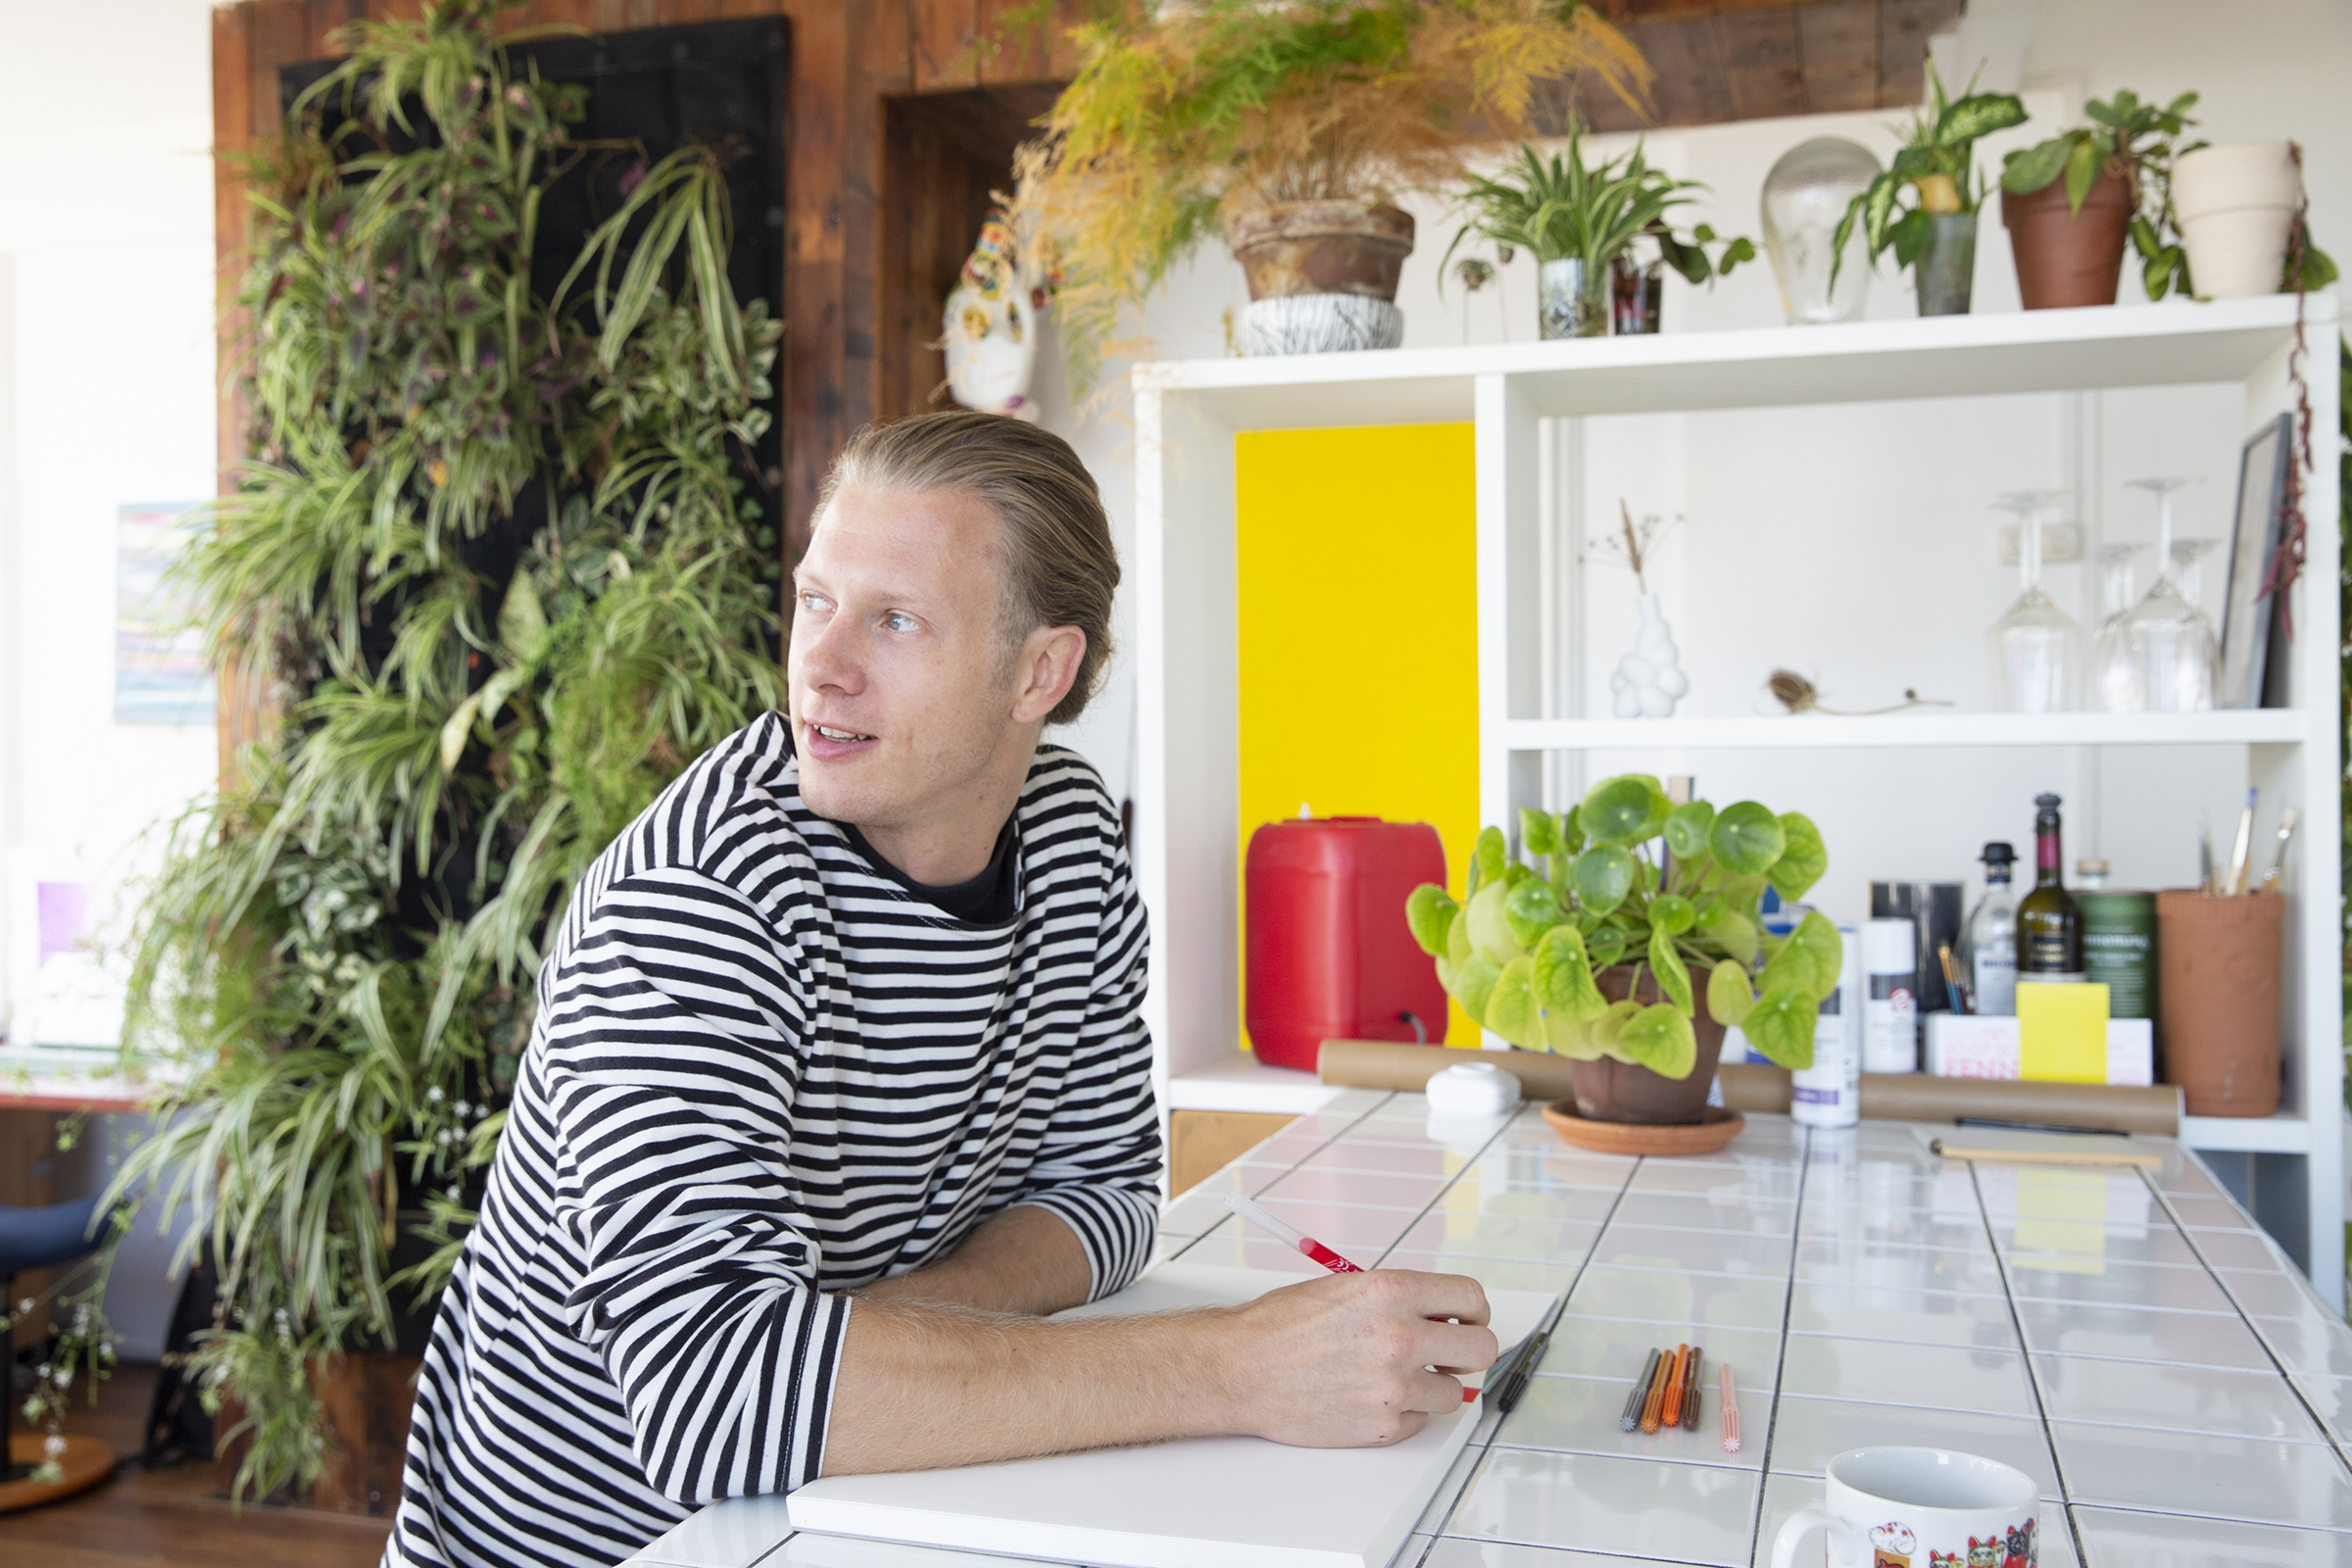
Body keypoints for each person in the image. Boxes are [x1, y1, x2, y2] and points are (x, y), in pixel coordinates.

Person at [387, 412, 1495, 1568]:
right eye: (816, 601)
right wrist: (1234, 1365)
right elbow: (717, 1400)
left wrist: (864, 1346)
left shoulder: (1070, 840)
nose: (821, 665)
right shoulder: (701, 893)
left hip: (864, 1512)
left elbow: (1109, 1196)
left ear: (1039, 672)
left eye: (896, 619)